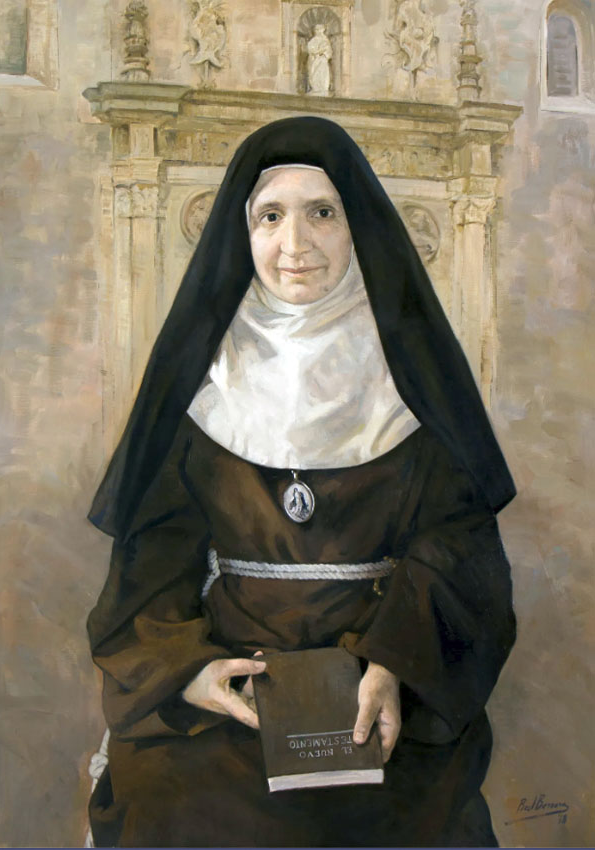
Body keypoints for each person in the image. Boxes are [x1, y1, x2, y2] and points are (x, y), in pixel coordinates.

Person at [86, 116, 516, 847]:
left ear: (359, 228)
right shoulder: (200, 387)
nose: (295, 244)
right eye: (270, 217)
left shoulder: (411, 380)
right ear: (242, 233)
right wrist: (190, 673)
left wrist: (394, 664)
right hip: (233, 691)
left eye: (322, 213)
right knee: (172, 805)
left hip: (382, 682)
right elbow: (150, 565)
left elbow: (459, 548)